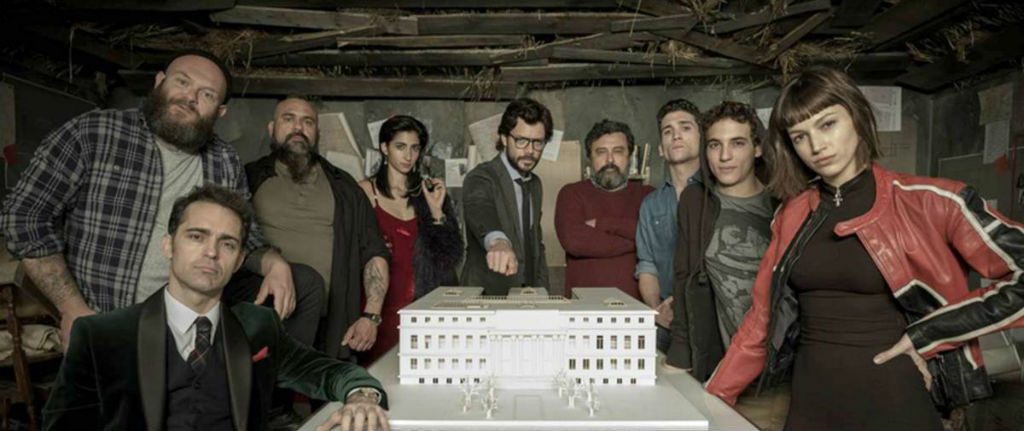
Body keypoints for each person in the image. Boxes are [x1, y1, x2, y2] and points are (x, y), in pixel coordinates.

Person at [705, 67, 1024, 430]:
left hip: (893, 399)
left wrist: (930, 333)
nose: (817, 146)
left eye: (828, 124)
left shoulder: (932, 201)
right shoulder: (790, 215)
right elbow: (760, 322)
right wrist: (710, 400)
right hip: (812, 404)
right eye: (800, 136)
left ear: (857, 116)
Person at [0, 50, 323, 349]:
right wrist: (73, 310)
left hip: (189, 317)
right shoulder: (94, 133)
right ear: (159, 82)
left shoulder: (223, 160)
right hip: (107, 316)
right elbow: (24, 216)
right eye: (182, 82)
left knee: (304, 282)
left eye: (207, 95)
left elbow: (244, 234)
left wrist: (274, 263)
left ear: (220, 111)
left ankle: (278, 388)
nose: (190, 97)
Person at [42, 185, 390, 431]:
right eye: (197, 236)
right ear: (169, 245)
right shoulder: (102, 336)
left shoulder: (257, 325)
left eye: (227, 244)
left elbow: (330, 372)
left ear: (239, 260)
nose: (211, 252)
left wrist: (362, 397)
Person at [664, 101, 787, 430]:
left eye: (738, 143)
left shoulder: (785, 204)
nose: (725, 156)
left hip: (775, 376)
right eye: (715, 145)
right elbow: (684, 279)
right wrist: (678, 360)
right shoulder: (695, 202)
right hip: (718, 370)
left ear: (757, 148)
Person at [246, 97, 390, 362]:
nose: (298, 128)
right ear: (271, 128)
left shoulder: (344, 186)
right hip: (262, 316)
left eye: (308, 122)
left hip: (331, 326)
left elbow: (373, 251)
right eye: (288, 119)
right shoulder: (248, 178)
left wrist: (371, 316)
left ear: (317, 133)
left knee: (325, 387)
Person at [357, 115, 463, 366]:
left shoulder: (429, 192)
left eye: (414, 148)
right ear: (384, 148)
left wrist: (436, 212)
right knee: (378, 373)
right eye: (400, 146)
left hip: (421, 304)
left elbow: (451, 257)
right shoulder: (364, 192)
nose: (408, 156)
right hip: (379, 302)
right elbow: (349, 249)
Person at [462, 98, 552, 295]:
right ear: (504, 138)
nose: (530, 151)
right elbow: (480, 209)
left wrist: (543, 292)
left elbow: (535, 244)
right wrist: (498, 242)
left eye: (538, 142)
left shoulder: (535, 184)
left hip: (527, 296)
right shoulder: (481, 177)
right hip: (487, 296)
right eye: (521, 140)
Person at [555, 119, 653, 299]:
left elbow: (657, 239)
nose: (610, 160)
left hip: (638, 309)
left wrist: (603, 224)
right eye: (601, 152)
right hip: (583, 309)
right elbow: (574, 242)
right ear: (589, 157)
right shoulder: (571, 194)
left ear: (630, 156)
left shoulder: (649, 196)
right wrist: (638, 241)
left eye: (618, 151)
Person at [635, 99, 702, 350]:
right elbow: (647, 264)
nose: (676, 135)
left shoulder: (717, 194)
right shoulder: (651, 204)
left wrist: (683, 302)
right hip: (665, 323)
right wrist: (656, 309)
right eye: (667, 131)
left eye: (685, 127)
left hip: (710, 317)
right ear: (661, 149)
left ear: (702, 138)